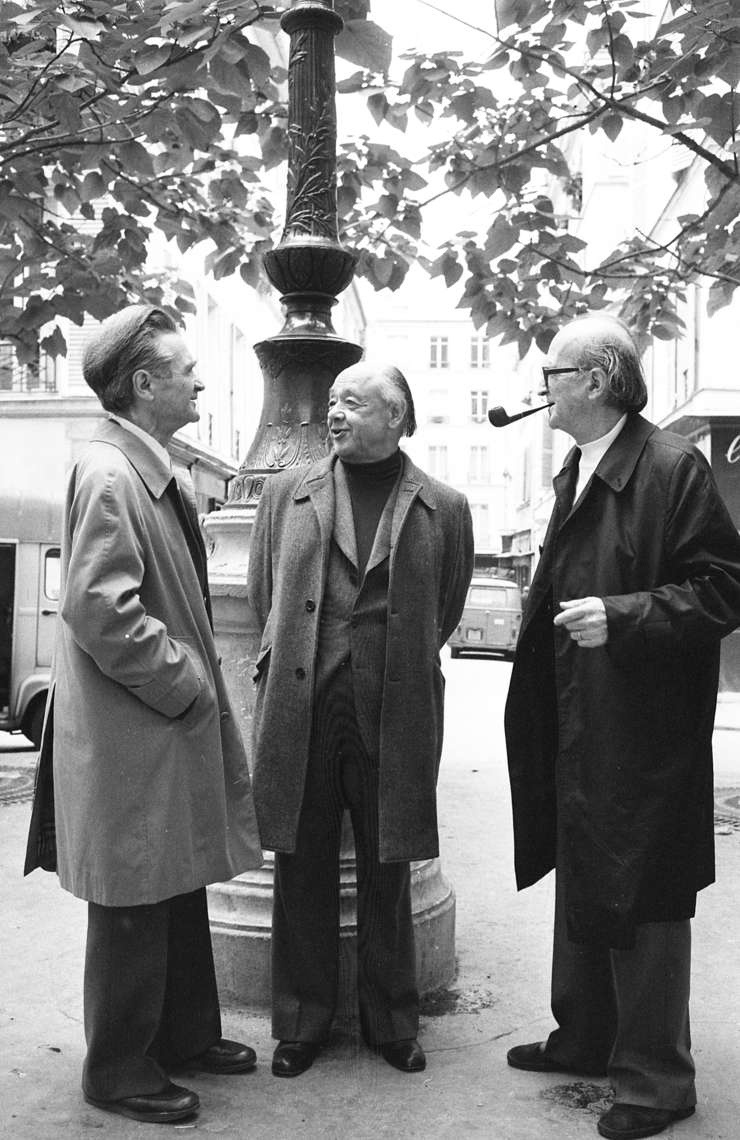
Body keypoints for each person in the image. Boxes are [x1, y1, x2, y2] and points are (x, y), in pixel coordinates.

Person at [24, 305, 263, 1125]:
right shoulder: (113, 473)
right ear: (144, 383)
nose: (199, 378)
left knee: (174, 882)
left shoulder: (136, 466)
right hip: (138, 734)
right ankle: (119, 1069)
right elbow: (99, 610)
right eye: (184, 367)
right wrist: (188, 682)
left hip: (148, 735)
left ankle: (185, 1038)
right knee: (133, 899)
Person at [504, 314, 740, 1140]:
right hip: (581, 711)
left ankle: (657, 1081)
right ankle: (587, 1038)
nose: (544, 391)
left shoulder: (672, 467)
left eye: (552, 376)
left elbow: (723, 590)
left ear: (598, 380)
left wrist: (625, 616)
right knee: (584, 871)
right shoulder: (581, 465)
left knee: (644, 892)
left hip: (643, 727)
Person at [247, 361, 474, 1078]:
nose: (335, 413)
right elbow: (265, 594)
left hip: (395, 711)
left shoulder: (444, 505)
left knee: (389, 867)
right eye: (332, 399)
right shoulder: (287, 492)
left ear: (398, 416)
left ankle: (391, 1022)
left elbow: (448, 605)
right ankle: (302, 1022)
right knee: (300, 864)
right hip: (304, 708)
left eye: (352, 402)